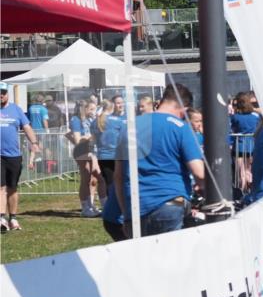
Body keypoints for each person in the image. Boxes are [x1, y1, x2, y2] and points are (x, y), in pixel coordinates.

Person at [114, 84, 205, 237]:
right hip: (170, 202)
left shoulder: (129, 127)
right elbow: (199, 174)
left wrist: (126, 214)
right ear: (184, 109)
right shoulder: (181, 128)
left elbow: (118, 176)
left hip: (137, 206)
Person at [1, 82, 42, 231]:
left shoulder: (16, 110)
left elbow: (27, 127)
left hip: (14, 155)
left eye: (3, 92)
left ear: (7, 94)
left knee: (12, 188)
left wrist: (34, 142)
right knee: (1, 186)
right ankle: (1, 218)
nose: (1, 94)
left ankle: (13, 217)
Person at [68, 99, 102, 216]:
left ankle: (91, 205)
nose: (93, 111)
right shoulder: (76, 120)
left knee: (93, 178)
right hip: (82, 151)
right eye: (91, 109)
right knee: (86, 178)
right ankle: (85, 208)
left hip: (90, 150)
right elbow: (77, 140)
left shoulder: (89, 120)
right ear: (85, 109)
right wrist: (90, 137)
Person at [229, 92, 260, 194]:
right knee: (249, 170)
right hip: (251, 146)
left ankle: (243, 191)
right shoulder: (255, 116)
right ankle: (251, 189)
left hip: (239, 145)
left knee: (240, 171)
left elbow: (232, 129)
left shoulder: (235, 117)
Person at [95, 96, 126, 194]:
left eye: (122, 102)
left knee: (110, 183)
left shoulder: (97, 120)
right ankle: (117, 206)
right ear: (113, 105)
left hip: (104, 155)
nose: (120, 105)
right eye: (118, 103)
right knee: (116, 183)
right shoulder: (117, 121)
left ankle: (111, 206)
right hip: (114, 156)